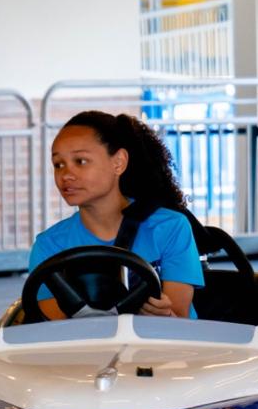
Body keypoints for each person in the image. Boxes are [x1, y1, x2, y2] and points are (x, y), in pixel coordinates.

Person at [28, 111, 204, 320]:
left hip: (164, 348)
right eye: (59, 164)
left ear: (118, 162)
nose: (66, 175)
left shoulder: (170, 227)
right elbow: (53, 328)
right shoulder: (49, 246)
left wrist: (164, 313)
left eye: (81, 161)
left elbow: (179, 316)